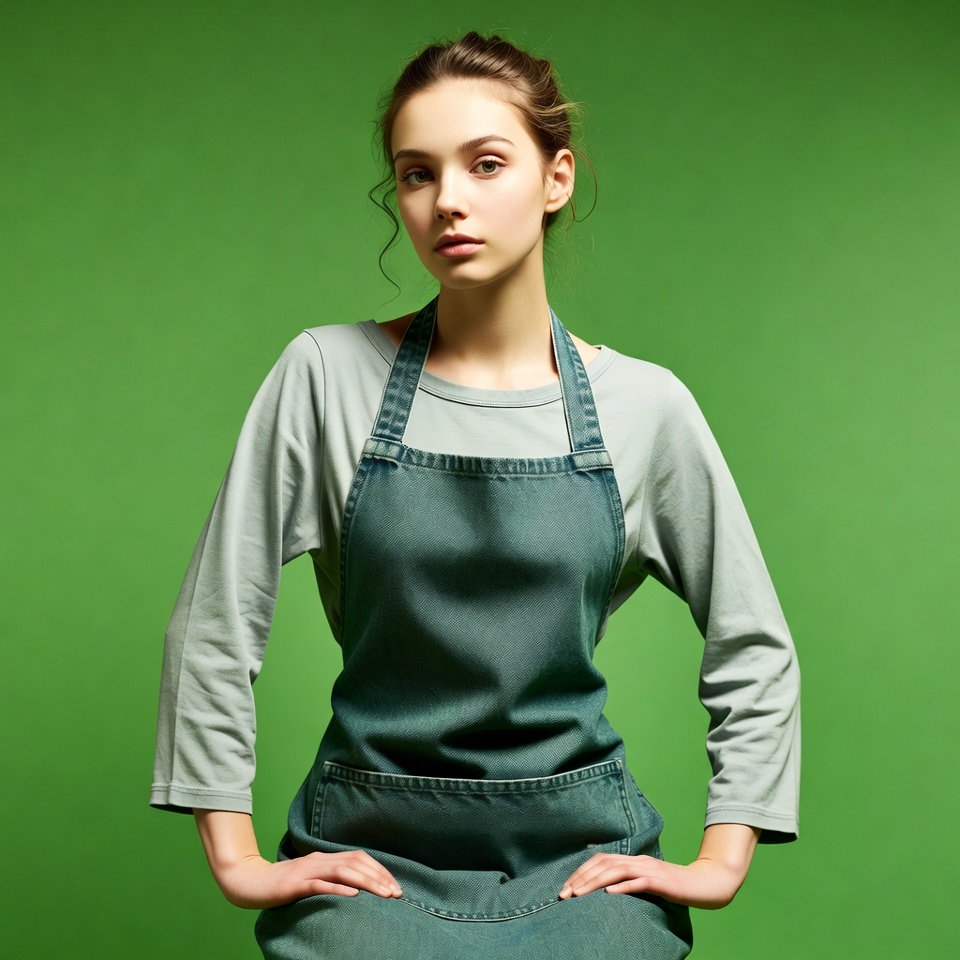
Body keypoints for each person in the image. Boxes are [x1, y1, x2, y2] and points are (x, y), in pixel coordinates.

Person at [152, 31, 800, 959]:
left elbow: (754, 642)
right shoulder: (325, 375)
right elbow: (214, 625)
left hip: (579, 854)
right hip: (366, 848)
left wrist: (722, 858)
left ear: (556, 178)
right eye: (417, 174)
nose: (448, 200)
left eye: (486, 163)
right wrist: (238, 858)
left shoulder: (644, 407)